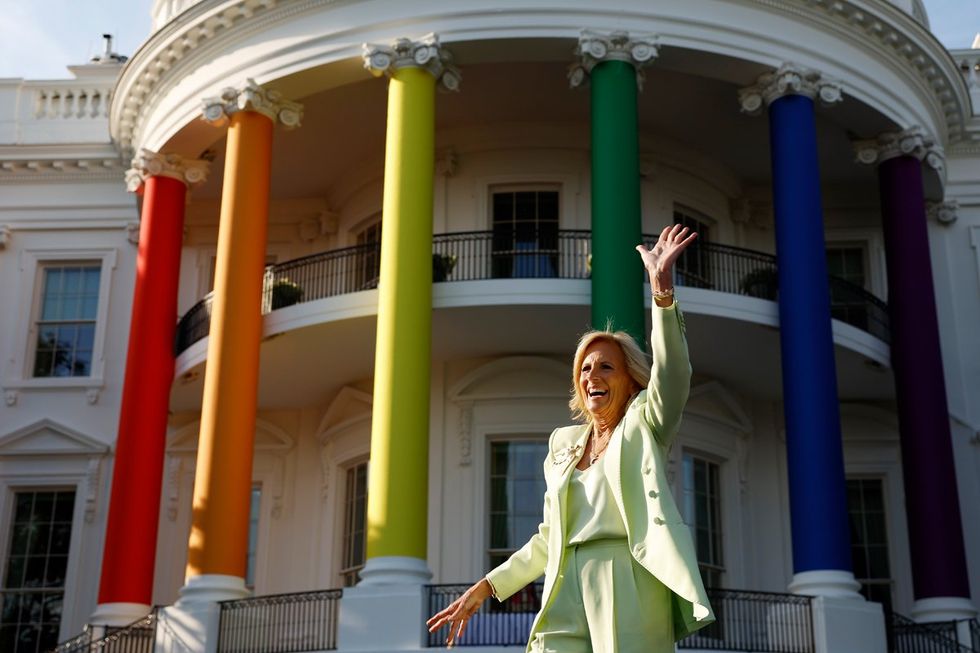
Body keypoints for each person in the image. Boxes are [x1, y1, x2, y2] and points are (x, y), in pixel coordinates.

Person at [427, 224, 715, 652]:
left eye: (606, 367)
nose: (592, 376)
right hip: (564, 583)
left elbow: (673, 375)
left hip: (627, 576)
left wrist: (662, 291)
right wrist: (486, 587)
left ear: (631, 381)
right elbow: (548, 537)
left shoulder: (645, 421)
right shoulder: (563, 445)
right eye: (585, 369)